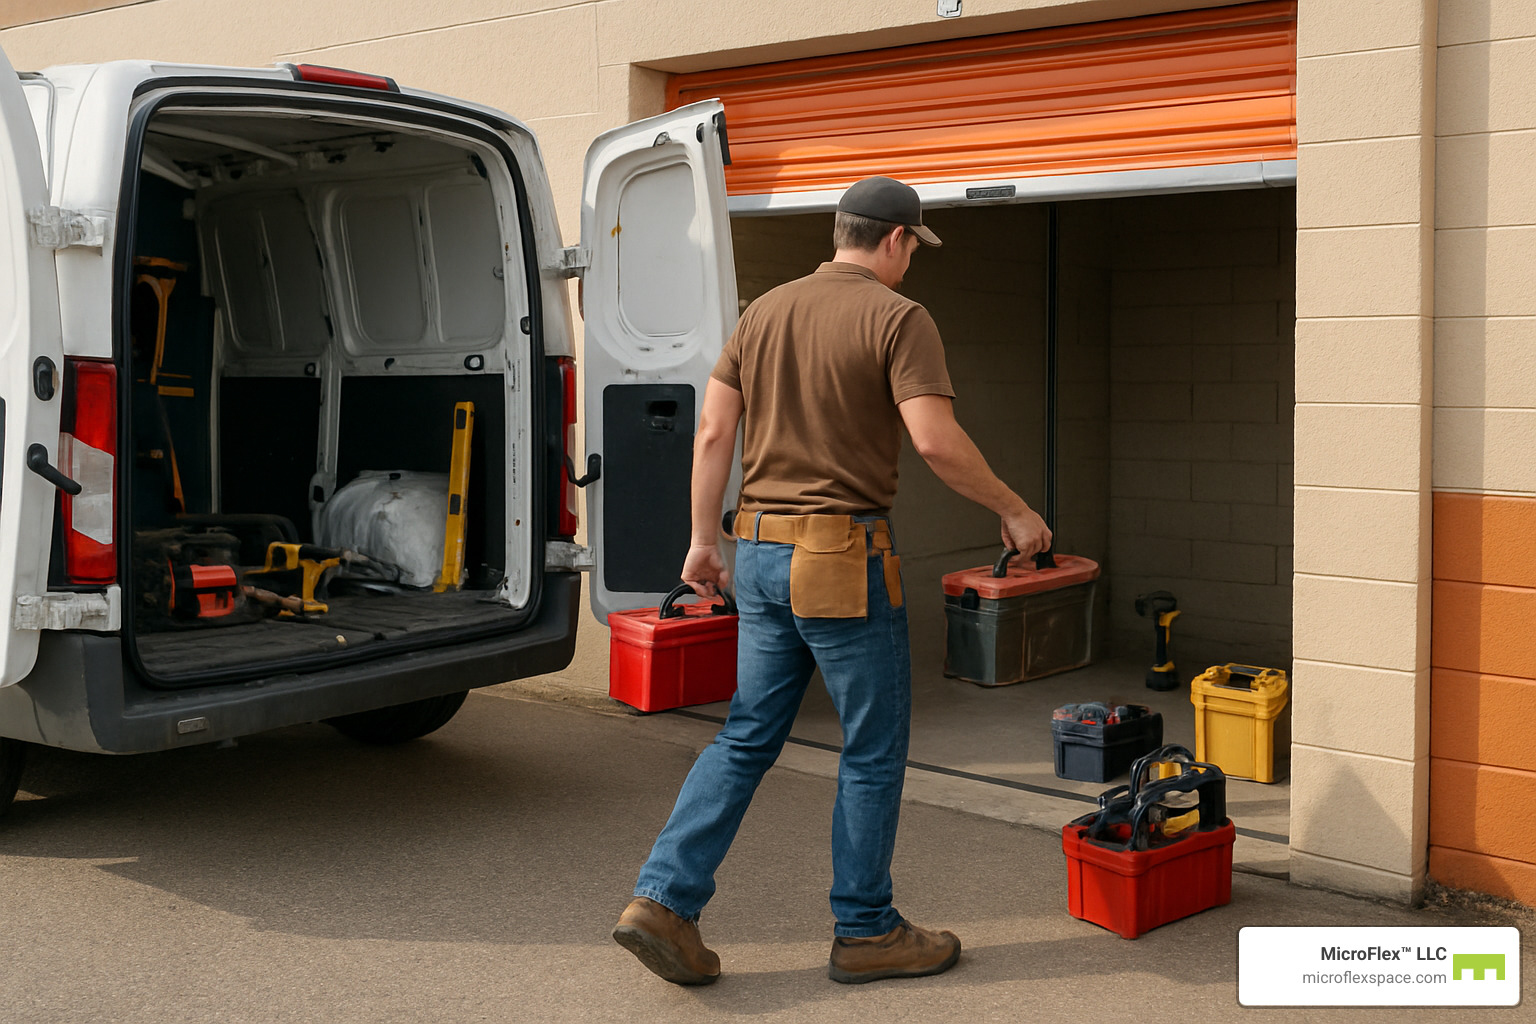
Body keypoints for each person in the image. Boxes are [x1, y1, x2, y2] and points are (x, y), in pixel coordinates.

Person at [612, 176, 1051, 986]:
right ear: (896, 239)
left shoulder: (763, 313)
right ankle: (866, 929)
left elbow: (712, 432)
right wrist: (1014, 509)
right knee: (872, 748)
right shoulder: (899, 317)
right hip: (843, 557)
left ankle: (663, 901)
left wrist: (702, 542)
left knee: (746, 735)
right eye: (914, 245)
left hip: (759, 552)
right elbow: (935, 440)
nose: (911, 259)